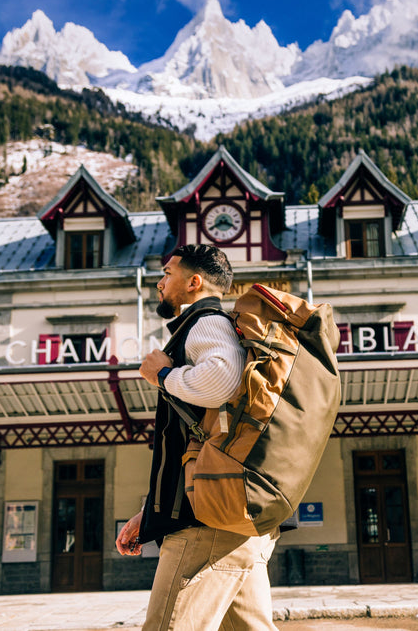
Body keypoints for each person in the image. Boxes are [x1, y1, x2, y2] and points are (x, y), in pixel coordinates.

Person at [115, 244, 279, 631]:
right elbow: (202, 434)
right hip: (231, 516)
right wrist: (153, 509)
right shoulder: (215, 324)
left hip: (206, 522)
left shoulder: (205, 320)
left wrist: (163, 376)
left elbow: (221, 381)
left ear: (193, 282)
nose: (159, 282)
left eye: (167, 273)